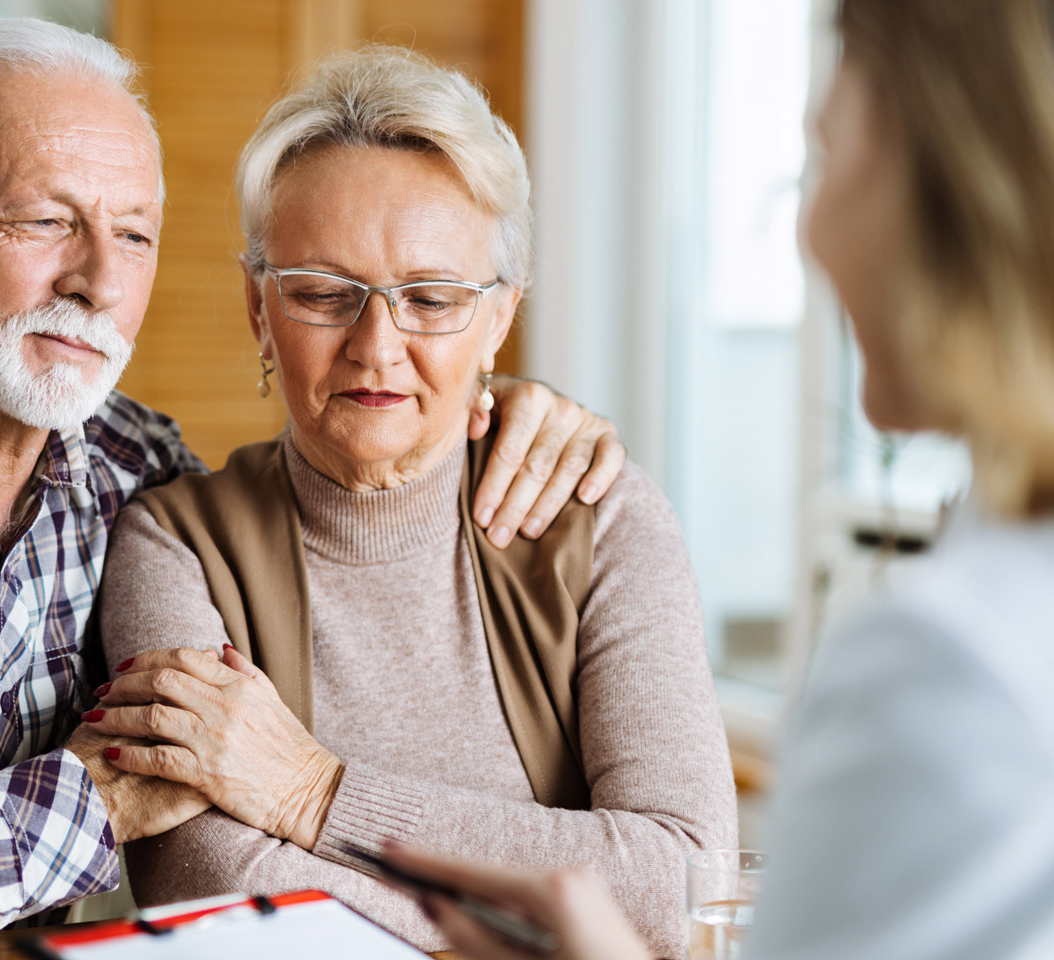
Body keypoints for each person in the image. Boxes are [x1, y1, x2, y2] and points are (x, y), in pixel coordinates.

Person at [0, 20, 627, 960]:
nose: (99, 280)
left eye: (135, 235)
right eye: (45, 220)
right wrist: (82, 808)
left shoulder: (142, 478)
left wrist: (489, 406)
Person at [381, 1, 1054, 958]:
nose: (811, 230)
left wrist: (314, 793)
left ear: (958, 180)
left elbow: (680, 867)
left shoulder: (957, 660)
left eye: (825, 158)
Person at [84, 47, 737, 958]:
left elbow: (681, 882)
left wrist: (314, 794)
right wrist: (563, 918)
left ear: (499, 318)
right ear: (256, 308)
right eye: (323, 294)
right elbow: (214, 885)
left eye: (430, 299)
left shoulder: (605, 517)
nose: (377, 346)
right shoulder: (177, 544)